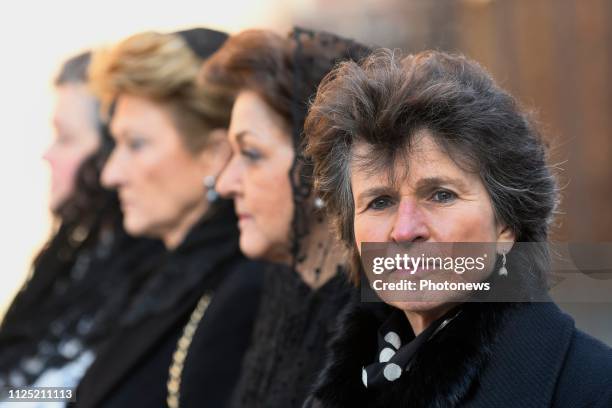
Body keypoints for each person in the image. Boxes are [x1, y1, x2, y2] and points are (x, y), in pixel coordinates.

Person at [302, 50, 612, 407]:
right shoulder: (353, 381)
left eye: (441, 195)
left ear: (506, 226)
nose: (405, 230)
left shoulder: (594, 389)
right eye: (380, 202)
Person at [74, 28, 263, 407]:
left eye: (136, 144)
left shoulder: (245, 291)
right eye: (116, 143)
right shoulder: (149, 275)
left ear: (215, 155)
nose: (111, 174)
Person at [199, 27, 370, 407]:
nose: (225, 184)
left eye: (251, 154)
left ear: (319, 166)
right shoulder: (287, 295)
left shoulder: (384, 316)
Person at [0, 52, 161, 397]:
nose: (47, 155)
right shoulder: (74, 268)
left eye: (66, 137)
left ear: (106, 150)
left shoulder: (146, 289)